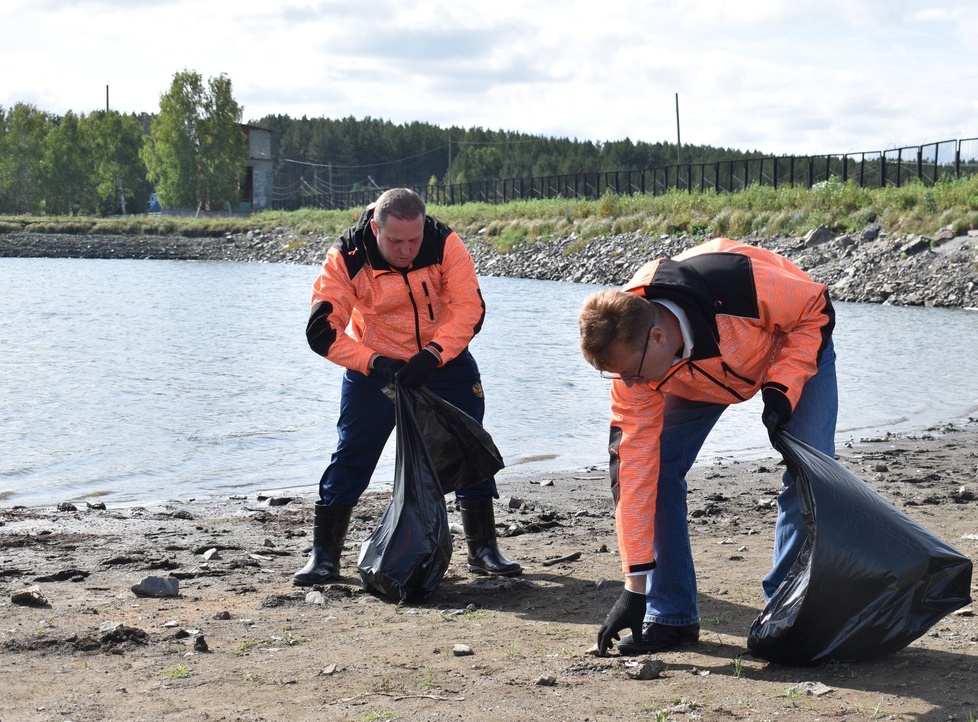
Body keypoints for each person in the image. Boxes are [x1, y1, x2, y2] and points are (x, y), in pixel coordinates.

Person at [578, 238, 837, 654]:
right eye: (618, 376)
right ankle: (671, 617)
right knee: (656, 468)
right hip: (695, 375)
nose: (630, 385)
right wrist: (634, 587)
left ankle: (786, 611)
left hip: (792, 345)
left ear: (658, 336)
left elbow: (815, 311)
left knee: (810, 474)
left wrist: (781, 388)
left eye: (631, 373)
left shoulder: (739, 285)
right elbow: (634, 477)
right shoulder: (635, 368)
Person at [295, 187, 521, 586]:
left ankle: (483, 549)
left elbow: (471, 308)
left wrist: (433, 354)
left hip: (444, 361)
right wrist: (375, 361)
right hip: (376, 368)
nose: (407, 250)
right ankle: (324, 557)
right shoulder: (347, 256)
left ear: (424, 225)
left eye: (414, 239)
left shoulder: (444, 242)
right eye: (396, 241)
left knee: (470, 445)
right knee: (353, 455)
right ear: (375, 228)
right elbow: (321, 332)